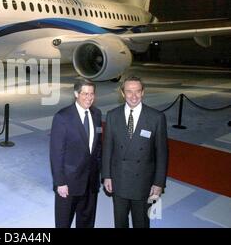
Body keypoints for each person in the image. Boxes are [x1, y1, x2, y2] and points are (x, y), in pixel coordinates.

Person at [102, 76, 168, 228]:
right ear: (122, 93)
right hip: (119, 180)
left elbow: (162, 154)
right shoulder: (113, 115)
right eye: (129, 92)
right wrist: (107, 176)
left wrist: (158, 183)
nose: (133, 96)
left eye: (137, 91)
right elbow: (107, 149)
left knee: (141, 223)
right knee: (120, 222)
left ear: (143, 92)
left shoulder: (156, 118)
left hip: (143, 183)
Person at [50, 80, 102, 228]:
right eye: (85, 93)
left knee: (87, 221)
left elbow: (98, 147)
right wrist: (60, 182)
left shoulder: (96, 114)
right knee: (64, 222)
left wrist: (99, 175)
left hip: (91, 182)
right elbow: (56, 153)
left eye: (92, 94)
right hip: (69, 183)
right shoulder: (62, 117)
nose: (89, 97)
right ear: (76, 94)